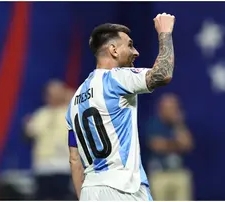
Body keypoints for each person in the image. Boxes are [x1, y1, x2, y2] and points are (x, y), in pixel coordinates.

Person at [65, 13, 176, 201]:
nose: (136, 52)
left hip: (90, 191)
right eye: (130, 45)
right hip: (124, 189)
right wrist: (165, 33)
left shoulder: (74, 100)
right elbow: (163, 74)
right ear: (114, 50)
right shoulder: (117, 79)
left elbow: (74, 160)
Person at [25, 79, 73, 200]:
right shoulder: (41, 114)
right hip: (43, 167)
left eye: (57, 93)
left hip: (63, 167)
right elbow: (29, 133)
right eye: (50, 93)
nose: (53, 96)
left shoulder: (71, 112)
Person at [146, 93, 194, 200]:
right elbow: (157, 146)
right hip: (159, 174)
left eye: (175, 107)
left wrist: (179, 124)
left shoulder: (179, 125)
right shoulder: (153, 124)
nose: (173, 110)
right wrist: (177, 144)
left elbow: (188, 145)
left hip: (178, 173)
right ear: (161, 109)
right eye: (169, 108)